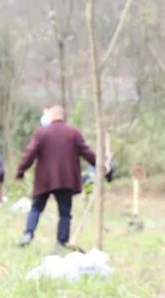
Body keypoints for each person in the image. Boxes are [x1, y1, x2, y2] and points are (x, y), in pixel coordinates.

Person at [15, 104, 105, 247]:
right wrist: (101, 166)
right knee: (65, 213)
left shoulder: (41, 133)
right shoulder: (73, 133)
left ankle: (28, 233)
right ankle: (61, 242)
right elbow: (87, 152)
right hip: (66, 180)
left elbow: (30, 153)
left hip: (44, 180)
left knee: (36, 208)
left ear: (52, 115)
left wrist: (21, 170)